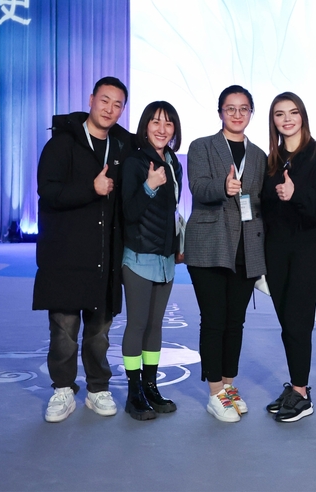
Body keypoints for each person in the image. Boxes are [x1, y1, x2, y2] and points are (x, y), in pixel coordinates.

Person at [33, 76, 133, 423]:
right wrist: (90, 188)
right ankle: (62, 389)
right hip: (65, 253)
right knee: (63, 330)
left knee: (100, 332)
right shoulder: (62, 143)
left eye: (117, 104)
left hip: (105, 256)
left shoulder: (122, 146)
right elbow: (48, 192)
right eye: (104, 100)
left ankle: (97, 388)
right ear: (91, 100)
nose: (110, 109)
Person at [184, 85, 267, 423]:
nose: (236, 114)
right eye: (230, 108)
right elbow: (197, 187)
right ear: (220, 112)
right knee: (214, 320)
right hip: (209, 246)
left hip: (245, 249)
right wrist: (223, 186)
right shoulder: (201, 146)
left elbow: (258, 204)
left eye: (243, 108)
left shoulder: (259, 155)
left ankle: (229, 387)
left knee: (236, 322)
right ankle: (215, 391)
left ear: (250, 113)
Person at [261, 92, 316, 422]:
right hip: (276, 250)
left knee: (297, 320)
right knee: (286, 323)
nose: (287, 119)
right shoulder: (271, 160)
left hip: (309, 248)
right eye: (279, 114)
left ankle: (303, 393)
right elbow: (264, 209)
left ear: (303, 116)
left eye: (293, 112)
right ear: (273, 120)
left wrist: (296, 195)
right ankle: (295, 386)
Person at [120, 101, 183, 421]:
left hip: (165, 258)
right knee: (138, 324)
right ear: (145, 126)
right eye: (156, 122)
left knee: (156, 325)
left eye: (169, 123)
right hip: (138, 256)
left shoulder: (174, 163)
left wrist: (177, 245)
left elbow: (170, 213)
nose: (162, 129)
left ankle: (151, 386)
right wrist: (149, 186)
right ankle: (133, 393)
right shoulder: (133, 162)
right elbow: (128, 213)